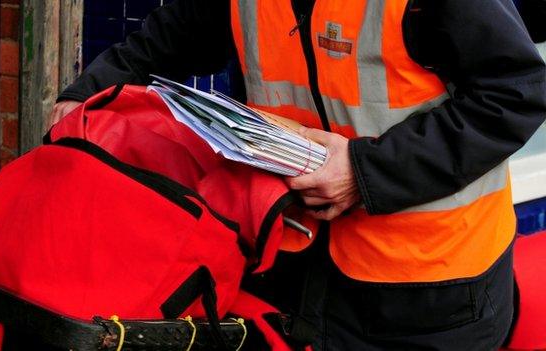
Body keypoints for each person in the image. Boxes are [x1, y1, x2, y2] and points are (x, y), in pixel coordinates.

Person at [51, 0, 546, 350]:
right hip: (298, 266)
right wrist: (86, 93)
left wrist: (362, 169)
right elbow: (170, 37)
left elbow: (517, 92)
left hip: (434, 291)